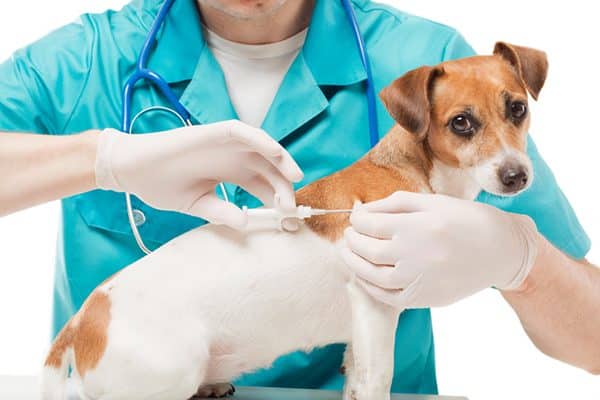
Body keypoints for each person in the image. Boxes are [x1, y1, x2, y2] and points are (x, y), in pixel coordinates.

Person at [0, 0, 597, 395]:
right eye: (467, 126)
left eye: (516, 114)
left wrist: (521, 257)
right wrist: (101, 158)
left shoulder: (452, 67)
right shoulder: (83, 60)